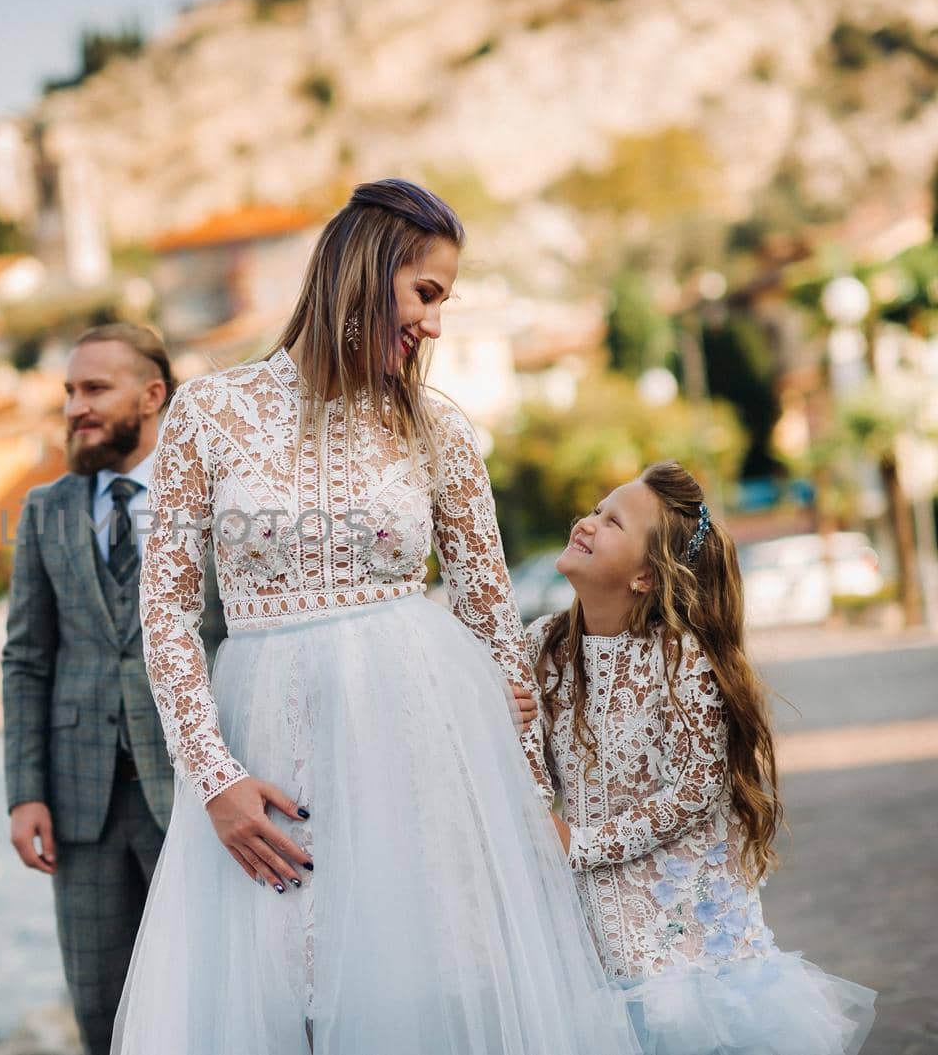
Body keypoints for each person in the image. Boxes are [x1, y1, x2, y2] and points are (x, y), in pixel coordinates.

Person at [113, 180, 637, 1053]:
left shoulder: (442, 432)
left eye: (445, 301)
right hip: (267, 764)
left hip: (424, 761)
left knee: (431, 996)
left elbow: (492, 622)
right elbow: (163, 613)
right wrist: (213, 778)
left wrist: (530, 799)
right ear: (365, 271)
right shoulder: (209, 414)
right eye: (426, 293)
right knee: (280, 997)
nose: (434, 324)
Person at [533, 461, 877, 1055]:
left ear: (645, 575)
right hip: (591, 933)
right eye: (595, 509)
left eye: (611, 521)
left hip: (686, 942)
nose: (586, 523)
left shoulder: (680, 659)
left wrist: (580, 844)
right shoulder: (544, 646)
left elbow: (696, 791)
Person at [1, 324, 230, 1055]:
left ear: (152, 395)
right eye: (69, 391)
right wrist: (24, 791)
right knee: (104, 1015)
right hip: (80, 805)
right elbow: (27, 658)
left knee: (216, 995)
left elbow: (233, 636)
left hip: (196, 792)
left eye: (94, 389)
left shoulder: (216, 496)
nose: (75, 407)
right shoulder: (46, 510)